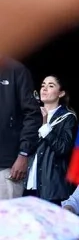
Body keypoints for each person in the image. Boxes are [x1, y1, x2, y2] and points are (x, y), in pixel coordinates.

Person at [26, 75, 77, 204]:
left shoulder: (68, 118)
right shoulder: (32, 116)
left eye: (51, 86)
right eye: (43, 85)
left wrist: (45, 126)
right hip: (29, 182)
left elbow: (63, 148)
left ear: (61, 93)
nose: (44, 89)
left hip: (52, 186)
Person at [0, 58, 41, 200]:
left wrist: (23, 153)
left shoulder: (16, 70)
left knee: (5, 221)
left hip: (7, 166)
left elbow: (32, 115)